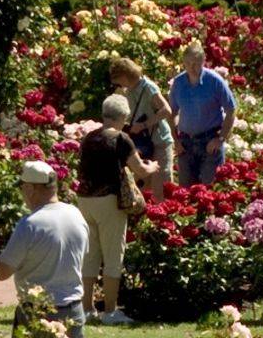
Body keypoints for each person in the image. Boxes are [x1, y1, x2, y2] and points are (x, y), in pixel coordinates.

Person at [76, 94, 159, 324]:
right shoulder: (122, 139)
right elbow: (140, 170)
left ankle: (87, 308)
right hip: (109, 200)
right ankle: (110, 311)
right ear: (123, 116)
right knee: (113, 254)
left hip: (85, 200)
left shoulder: (89, 138)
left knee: (90, 254)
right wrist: (153, 167)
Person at [0, 161, 89, 338]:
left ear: (31, 189)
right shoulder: (75, 214)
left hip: (38, 313)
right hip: (74, 309)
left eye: (22, 188)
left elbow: (3, 271)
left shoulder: (30, 224)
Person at [168, 42, 237, 186]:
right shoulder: (179, 83)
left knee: (208, 189)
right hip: (186, 142)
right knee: (185, 190)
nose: (192, 68)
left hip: (209, 141)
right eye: (188, 63)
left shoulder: (214, 81)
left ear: (203, 62)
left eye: (196, 63)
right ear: (183, 62)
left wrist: (221, 138)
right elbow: (171, 113)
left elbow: (231, 109)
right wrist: (176, 140)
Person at [111, 57, 175, 203]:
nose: (118, 83)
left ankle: (164, 219)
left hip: (159, 141)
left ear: (126, 75)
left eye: (119, 79)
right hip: (142, 143)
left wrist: (144, 125)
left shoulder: (148, 87)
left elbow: (166, 110)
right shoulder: (128, 90)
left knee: (161, 186)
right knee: (142, 186)